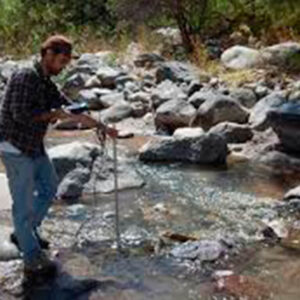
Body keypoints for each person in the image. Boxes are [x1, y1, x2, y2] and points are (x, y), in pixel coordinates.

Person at [0, 35, 118, 276]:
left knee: (50, 186)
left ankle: (23, 232)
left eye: (66, 62)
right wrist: (51, 115)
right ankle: (31, 258)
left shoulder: (45, 81)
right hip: (13, 146)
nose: (63, 66)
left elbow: (67, 109)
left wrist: (102, 127)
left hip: (33, 144)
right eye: (61, 61)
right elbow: (19, 114)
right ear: (48, 54)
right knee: (22, 204)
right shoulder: (24, 77)